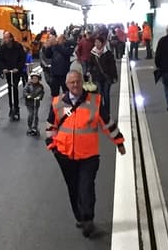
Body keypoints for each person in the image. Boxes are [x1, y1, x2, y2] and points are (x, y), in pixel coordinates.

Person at [45, 70, 126, 237]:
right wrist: (53, 147)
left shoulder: (95, 101)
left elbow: (107, 124)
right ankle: (80, 217)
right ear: (66, 85)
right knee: (73, 188)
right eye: (71, 83)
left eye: (77, 82)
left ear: (82, 82)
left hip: (89, 155)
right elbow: (50, 127)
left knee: (86, 186)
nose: (75, 85)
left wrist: (119, 142)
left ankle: (88, 219)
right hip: (65, 155)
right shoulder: (57, 103)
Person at [85, 33, 118, 123]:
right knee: (99, 96)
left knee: (106, 96)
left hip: (107, 78)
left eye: (98, 42)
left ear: (102, 43)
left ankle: (107, 114)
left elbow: (112, 66)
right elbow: (90, 64)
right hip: (97, 78)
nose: (96, 44)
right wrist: (89, 71)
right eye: (95, 42)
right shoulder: (93, 53)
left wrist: (114, 76)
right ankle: (101, 115)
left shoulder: (108, 53)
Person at [0, 31, 26, 121]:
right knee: (9, 88)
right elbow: (0, 60)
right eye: (4, 38)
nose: (5, 40)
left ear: (11, 38)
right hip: (8, 70)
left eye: (7, 38)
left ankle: (16, 108)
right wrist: (3, 68)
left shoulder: (18, 47)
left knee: (15, 87)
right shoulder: (2, 48)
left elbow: (22, 58)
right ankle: (11, 107)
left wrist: (18, 68)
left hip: (16, 70)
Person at [24, 68, 46, 136]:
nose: (34, 80)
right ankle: (30, 126)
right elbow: (25, 91)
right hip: (29, 103)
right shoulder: (28, 85)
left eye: (36, 78)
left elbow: (42, 93)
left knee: (35, 115)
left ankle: (35, 127)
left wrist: (39, 97)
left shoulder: (40, 86)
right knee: (31, 114)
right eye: (33, 78)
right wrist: (27, 95)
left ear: (39, 79)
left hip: (36, 103)